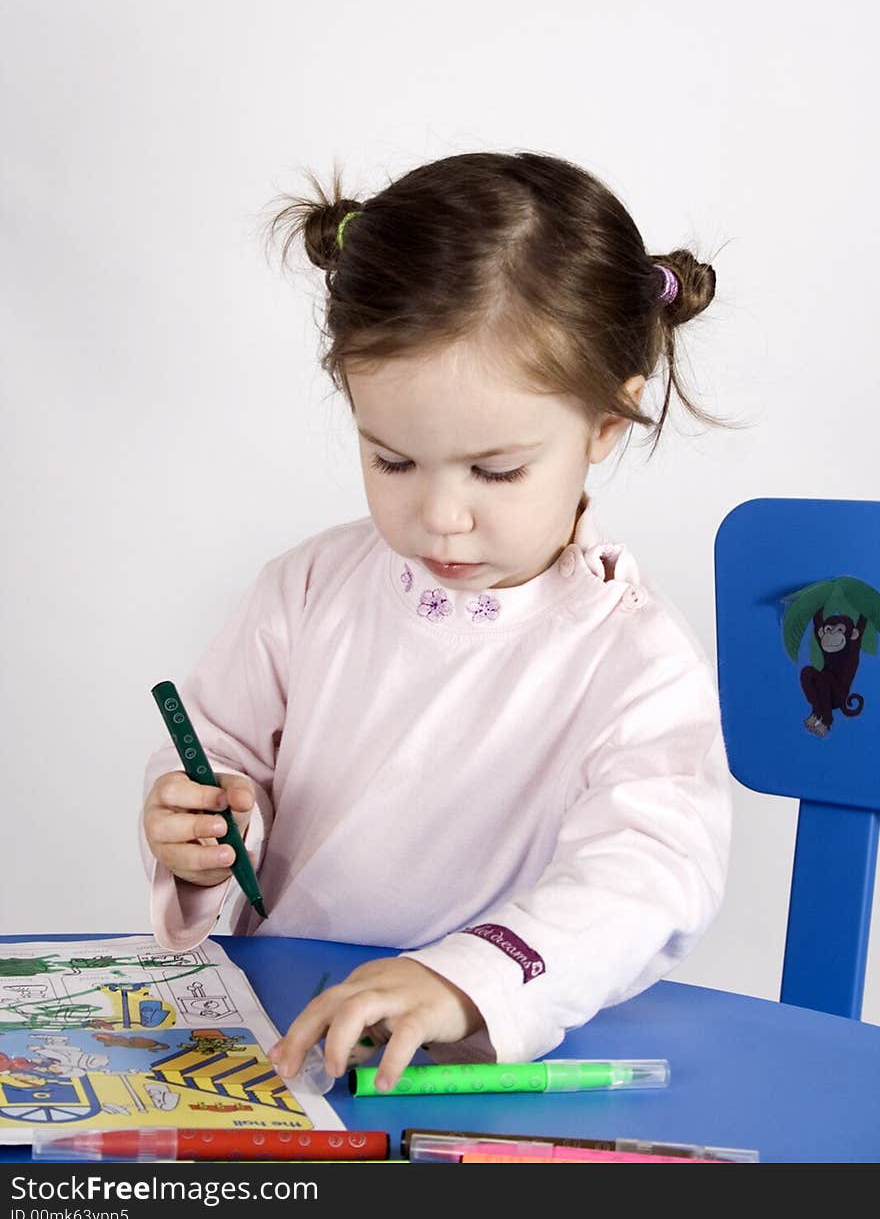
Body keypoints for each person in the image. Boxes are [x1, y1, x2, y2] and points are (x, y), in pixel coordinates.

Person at [140, 149, 733, 1093]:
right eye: (392, 461)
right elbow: (218, 760)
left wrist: (465, 982)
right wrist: (201, 834)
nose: (441, 516)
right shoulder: (305, 590)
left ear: (606, 428)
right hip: (279, 1043)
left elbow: (650, 872)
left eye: (495, 471)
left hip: (473, 1074)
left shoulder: (634, 659)